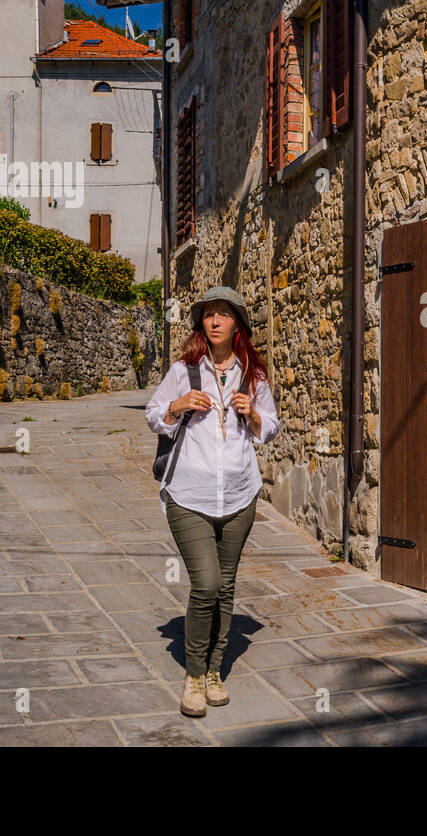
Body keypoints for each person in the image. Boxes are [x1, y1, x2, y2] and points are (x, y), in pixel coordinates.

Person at [145, 286, 280, 717]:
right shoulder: (184, 370)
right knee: (205, 584)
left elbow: (271, 427)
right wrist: (178, 405)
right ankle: (193, 673)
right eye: (209, 315)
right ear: (202, 324)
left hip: (240, 495)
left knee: (225, 585)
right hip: (189, 494)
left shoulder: (252, 375)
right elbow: (153, 414)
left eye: (224, 314)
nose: (216, 321)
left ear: (237, 324)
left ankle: (213, 671)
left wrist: (254, 414)